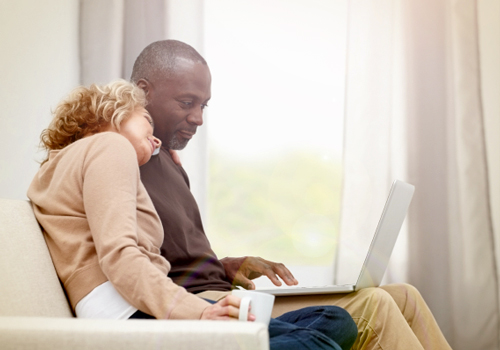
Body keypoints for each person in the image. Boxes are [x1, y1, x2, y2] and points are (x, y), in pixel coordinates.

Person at [132, 39, 453, 350]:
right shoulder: (118, 156)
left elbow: (174, 251)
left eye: (203, 105)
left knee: (404, 296)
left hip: (221, 291)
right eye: (187, 103)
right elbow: (128, 261)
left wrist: (227, 264)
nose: (198, 118)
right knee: (377, 305)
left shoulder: (167, 158)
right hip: (204, 307)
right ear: (143, 92)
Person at [27, 80, 357, 350]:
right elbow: (121, 257)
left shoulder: (57, 170)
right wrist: (199, 313)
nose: (156, 138)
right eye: (147, 120)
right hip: (130, 318)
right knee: (319, 340)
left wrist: (165, 172)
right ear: (112, 113)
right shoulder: (110, 146)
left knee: (333, 320)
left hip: (129, 311)